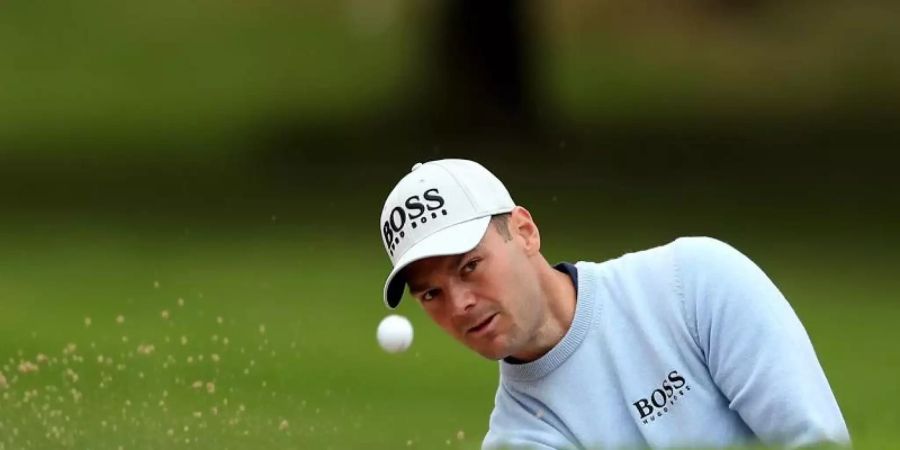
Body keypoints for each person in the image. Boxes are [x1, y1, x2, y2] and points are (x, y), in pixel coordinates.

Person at [378, 159, 850, 450]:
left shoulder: (697, 282)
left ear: (524, 231)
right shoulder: (521, 437)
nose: (459, 304)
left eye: (469, 266)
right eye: (431, 294)